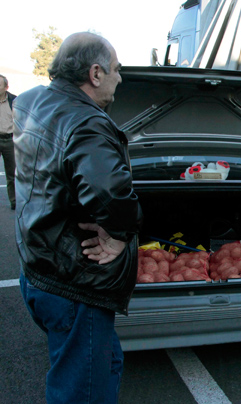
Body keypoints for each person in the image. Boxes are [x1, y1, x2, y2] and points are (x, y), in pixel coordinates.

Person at [13, 32, 142, 404]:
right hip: (74, 285)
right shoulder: (86, 122)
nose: (121, 78)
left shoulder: (30, 101)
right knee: (82, 394)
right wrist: (121, 233)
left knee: (103, 366)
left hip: (38, 265)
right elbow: (112, 196)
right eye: (117, 70)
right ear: (96, 72)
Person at [0, 74, 16, 210]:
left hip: (10, 140)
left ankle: (14, 201)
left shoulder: (14, 101)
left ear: (6, 87)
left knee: (12, 174)